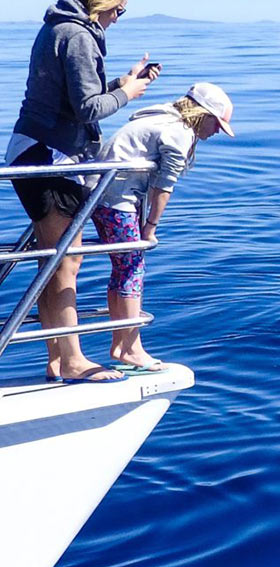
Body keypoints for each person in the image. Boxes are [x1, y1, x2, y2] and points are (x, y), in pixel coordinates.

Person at [5, 0, 158, 383]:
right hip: (51, 158)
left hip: (34, 150)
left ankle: (57, 358)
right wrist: (128, 93)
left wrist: (120, 83)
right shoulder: (76, 35)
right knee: (64, 261)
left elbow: (75, 99)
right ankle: (72, 359)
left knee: (52, 262)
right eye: (117, 10)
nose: (116, 19)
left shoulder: (58, 28)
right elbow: (89, 109)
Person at [91, 83, 235, 370]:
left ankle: (121, 344)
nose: (217, 131)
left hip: (98, 195)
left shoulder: (157, 117)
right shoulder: (179, 132)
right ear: (201, 114)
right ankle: (130, 347)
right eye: (216, 123)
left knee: (123, 268)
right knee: (133, 269)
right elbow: (164, 186)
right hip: (117, 201)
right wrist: (151, 227)